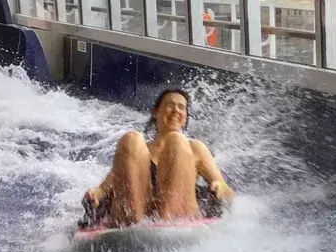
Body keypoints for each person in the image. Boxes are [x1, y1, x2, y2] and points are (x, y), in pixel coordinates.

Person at [81, 88, 234, 226]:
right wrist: (95, 194)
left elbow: (227, 191)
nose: (176, 110)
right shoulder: (138, 151)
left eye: (182, 107)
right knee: (131, 138)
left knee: (177, 141)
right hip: (136, 216)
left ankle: (169, 222)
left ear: (185, 117)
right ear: (156, 112)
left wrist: (219, 187)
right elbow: (109, 184)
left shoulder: (195, 149)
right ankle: (131, 223)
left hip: (177, 216)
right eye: (170, 105)